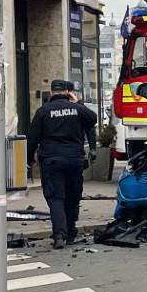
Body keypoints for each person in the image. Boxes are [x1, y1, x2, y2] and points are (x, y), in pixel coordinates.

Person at [30, 79, 98, 249]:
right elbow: (93, 119)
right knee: (73, 197)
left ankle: (60, 234)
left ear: (51, 92)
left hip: (52, 160)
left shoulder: (43, 111)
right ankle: (70, 231)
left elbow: (32, 138)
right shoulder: (77, 109)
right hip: (74, 160)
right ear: (68, 93)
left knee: (56, 198)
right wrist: (78, 103)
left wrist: (28, 160)